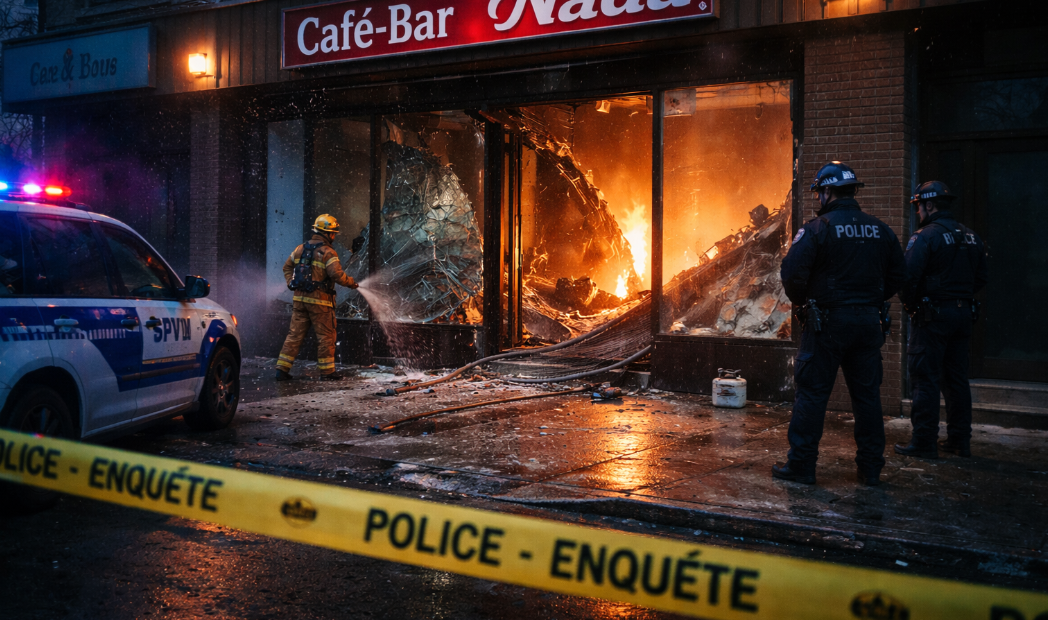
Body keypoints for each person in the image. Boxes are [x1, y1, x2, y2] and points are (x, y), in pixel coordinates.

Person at [775, 162, 905, 487]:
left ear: (828, 192)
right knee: (867, 397)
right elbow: (899, 276)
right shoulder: (881, 230)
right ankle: (871, 469)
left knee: (813, 395)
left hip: (827, 324)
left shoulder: (818, 229)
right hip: (868, 322)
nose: (819, 197)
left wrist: (805, 301)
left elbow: (792, 273)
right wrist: (869, 298)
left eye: (819, 192)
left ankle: (802, 466)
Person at [895, 181, 988, 459]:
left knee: (925, 379)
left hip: (932, 317)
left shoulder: (925, 236)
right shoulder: (972, 236)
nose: (918, 213)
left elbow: (906, 278)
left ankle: (924, 442)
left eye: (919, 207)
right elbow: (981, 278)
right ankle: (960, 441)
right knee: (957, 380)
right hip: (962, 315)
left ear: (930, 205)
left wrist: (913, 306)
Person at [275, 214, 358, 381]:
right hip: (321, 302)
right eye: (333, 233)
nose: (334, 236)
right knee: (326, 336)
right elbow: (336, 274)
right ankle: (327, 372)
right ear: (327, 233)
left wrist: (291, 283)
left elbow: (287, 267)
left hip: (299, 300)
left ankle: (281, 370)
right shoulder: (328, 252)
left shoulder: (300, 249)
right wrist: (351, 283)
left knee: (294, 335)